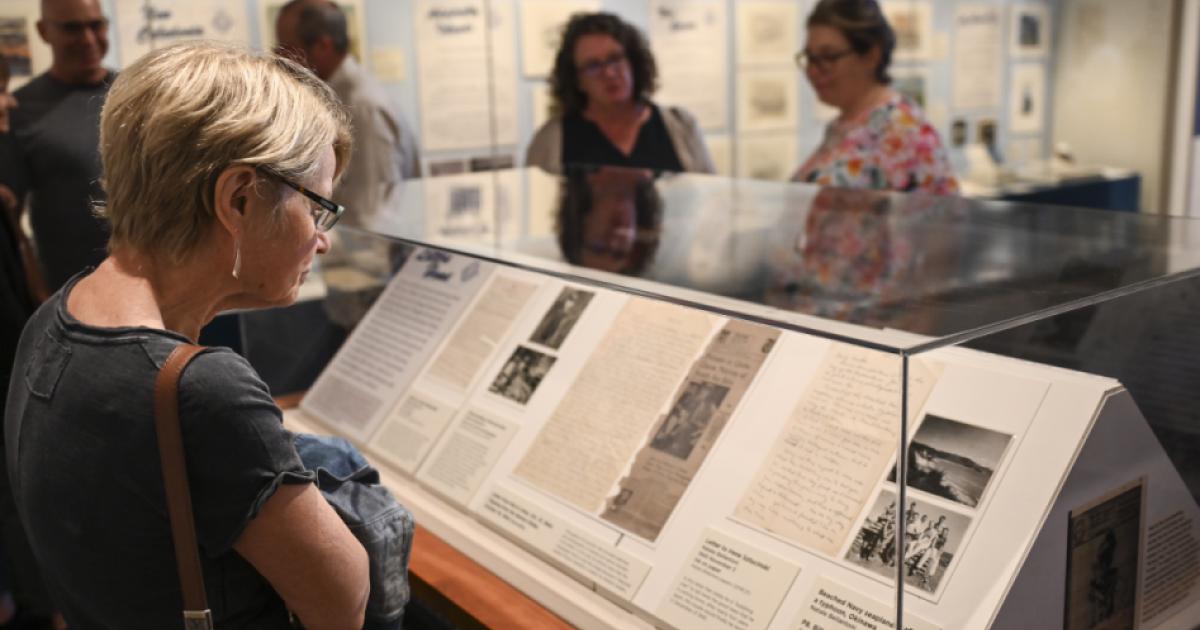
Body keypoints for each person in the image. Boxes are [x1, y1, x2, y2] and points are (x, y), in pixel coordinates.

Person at [5, 42, 372, 628]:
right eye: (318, 206)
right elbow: (344, 602)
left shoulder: (57, 313)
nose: (322, 239)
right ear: (239, 198)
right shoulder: (203, 389)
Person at [0, 0, 116, 291]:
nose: (88, 39)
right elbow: (11, 228)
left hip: (158, 290)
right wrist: (35, 299)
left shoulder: (139, 94)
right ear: (43, 31)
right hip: (71, 297)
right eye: (72, 28)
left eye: (95, 25)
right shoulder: (19, 109)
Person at [276, 0, 420, 227]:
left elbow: (373, 212)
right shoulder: (337, 97)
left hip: (366, 256)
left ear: (323, 46)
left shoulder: (362, 107)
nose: (282, 59)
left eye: (287, 48)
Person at [792, 0, 958, 194]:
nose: (813, 71)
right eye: (810, 58)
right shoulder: (845, 124)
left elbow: (943, 217)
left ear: (871, 55)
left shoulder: (901, 127)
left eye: (829, 57)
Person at [526, 12, 714, 174]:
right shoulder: (552, 141)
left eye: (615, 59)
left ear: (633, 62)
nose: (609, 73)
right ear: (577, 80)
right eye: (593, 66)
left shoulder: (680, 127)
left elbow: (710, 200)